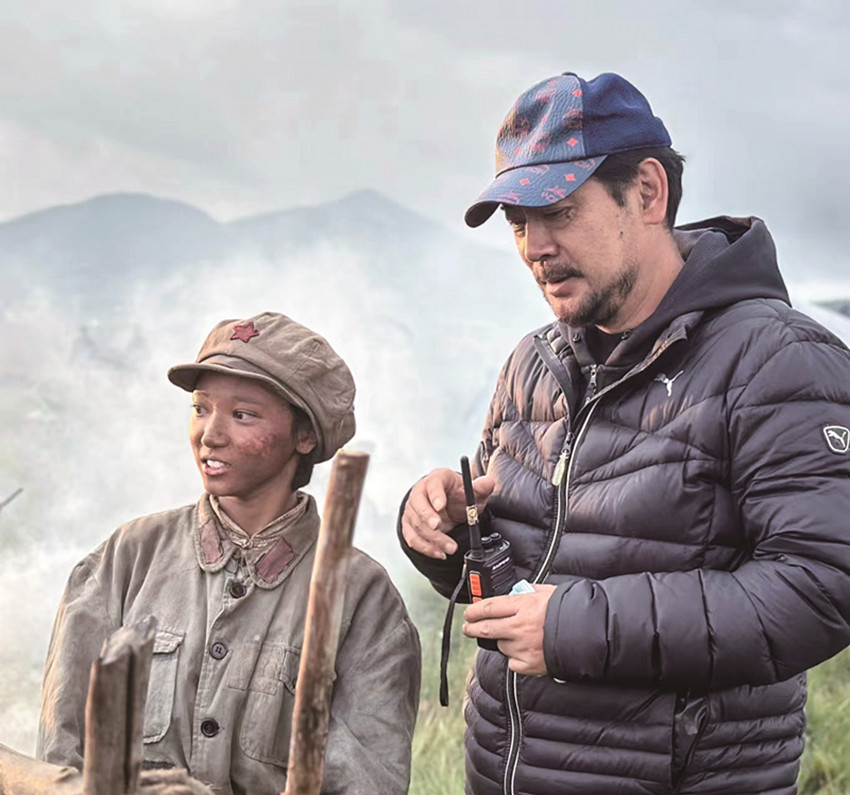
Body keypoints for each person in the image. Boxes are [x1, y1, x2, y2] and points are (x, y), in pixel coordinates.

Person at [399, 71, 850, 794]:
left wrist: (573, 630)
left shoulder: (778, 358)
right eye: (518, 221)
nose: (535, 246)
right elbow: (509, 578)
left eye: (559, 211)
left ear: (646, 192)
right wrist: (444, 529)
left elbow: (822, 586)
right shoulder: (533, 363)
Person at [38, 311, 421, 795]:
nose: (210, 434)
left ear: (304, 436)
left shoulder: (362, 597)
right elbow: (61, 762)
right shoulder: (126, 560)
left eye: (243, 415)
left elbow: (369, 780)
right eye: (201, 409)